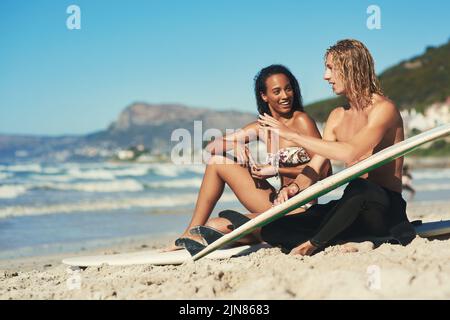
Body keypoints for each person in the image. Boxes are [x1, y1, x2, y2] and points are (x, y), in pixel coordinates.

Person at [256, 39, 417, 255]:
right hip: (350, 208)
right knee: (273, 230)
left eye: (331, 68)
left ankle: (313, 244)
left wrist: (292, 135)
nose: (326, 76)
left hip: (384, 209)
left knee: (360, 187)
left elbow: (350, 151)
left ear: (350, 68)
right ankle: (340, 238)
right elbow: (316, 164)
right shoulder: (337, 116)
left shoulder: (383, 109)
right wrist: (293, 188)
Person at [164, 64, 330, 251]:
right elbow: (212, 146)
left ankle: (260, 233)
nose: (285, 96)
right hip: (276, 202)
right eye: (277, 91)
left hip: (301, 208)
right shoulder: (262, 126)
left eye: (288, 89)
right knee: (218, 161)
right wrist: (236, 144)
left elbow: (325, 170)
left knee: (216, 226)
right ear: (264, 96)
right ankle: (189, 232)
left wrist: (277, 170)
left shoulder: (301, 121)